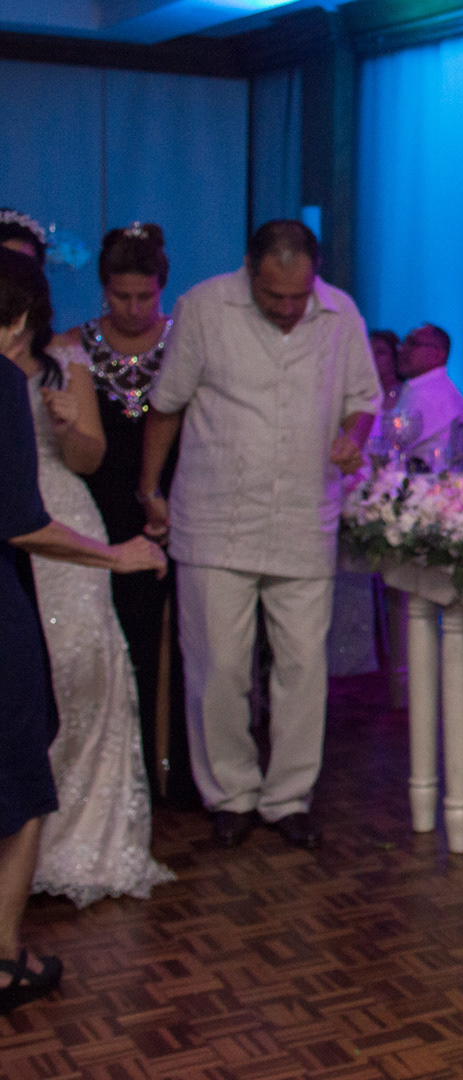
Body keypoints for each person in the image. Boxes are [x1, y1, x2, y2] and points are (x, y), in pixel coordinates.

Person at [139, 220, 381, 851]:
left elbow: (364, 397)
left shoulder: (341, 314)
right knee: (219, 665)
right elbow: (167, 403)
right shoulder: (203, 308)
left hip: (304, 513)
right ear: (249, 271)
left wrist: (352, 436)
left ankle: (288, 798)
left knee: (302, 666)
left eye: (298, 296)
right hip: (215, 514)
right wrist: (149, 488)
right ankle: (232, 794)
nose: (287, 308)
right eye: (274, 295)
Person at [1, 282, 167, 1011]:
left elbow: (84, 458)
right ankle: (4, 955)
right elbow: (18, 520)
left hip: (50, 534)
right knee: (23, 752)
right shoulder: (3, 382)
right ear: (16, 318)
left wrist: (70, 425)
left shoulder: (56, 366)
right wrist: (116, 555)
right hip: (20, 567)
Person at [49, 224, 198, 811]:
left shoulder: (186, 341)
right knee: (121, 643)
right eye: (121, 296)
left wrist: (163, 495)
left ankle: (183, 778)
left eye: (145, 297)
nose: (134, 309)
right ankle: (124, 781)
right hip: (102, 510)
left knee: (189, 645)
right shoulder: (74, 346)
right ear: (103, 289)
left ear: (163, 288)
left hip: (181, 501)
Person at [389, 323, 463, 467]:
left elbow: (392, 446)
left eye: (412, 343)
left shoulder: (429, 393)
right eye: (403, 342)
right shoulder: (437, 388)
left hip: (420, 475)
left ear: (437, 355)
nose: (401, 349)